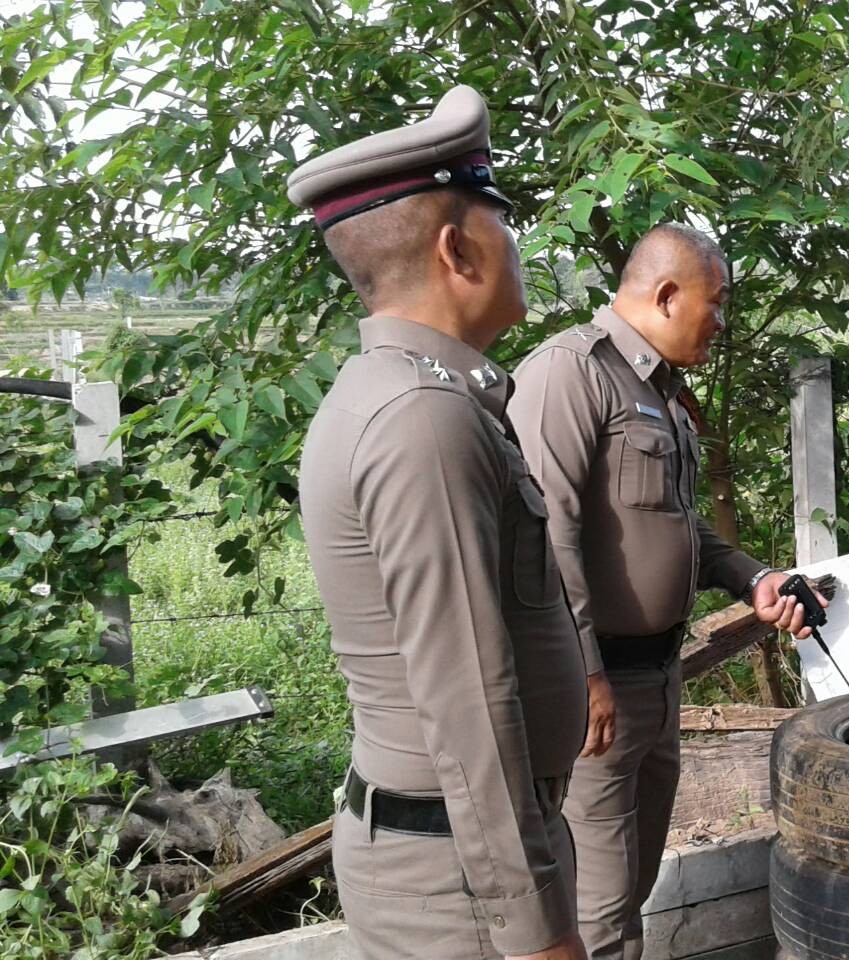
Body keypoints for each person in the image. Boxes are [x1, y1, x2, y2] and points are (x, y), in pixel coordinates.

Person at [289, 86, 589, 960]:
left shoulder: (415, 395)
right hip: (463, 878)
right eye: (504, 221)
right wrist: (535, 927)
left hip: (460, 855)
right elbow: (468, 696)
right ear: (459, 248)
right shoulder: (423, 415)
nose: (519, 245)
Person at [508, 223, 821, 959]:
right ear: (667, 293)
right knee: (599, 912)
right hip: (598, 690)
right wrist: (584, 673)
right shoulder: (571, 374)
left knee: (631, 885)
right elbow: (545, 536)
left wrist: (756, 578)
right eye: (716, 305)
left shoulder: (660, 392)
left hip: (656, 678)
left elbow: (680, 530)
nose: (722, 322)